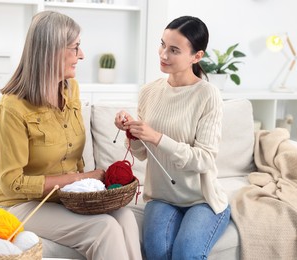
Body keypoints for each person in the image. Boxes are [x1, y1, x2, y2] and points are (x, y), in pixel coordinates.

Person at [0, 11, 142, 260]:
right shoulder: (12, 107)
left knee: (125, 216)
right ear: (52, 51)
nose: (81, 55)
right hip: (17, 205)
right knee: (104, 228)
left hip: (65, 199)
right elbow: (12, 182)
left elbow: (73, 157)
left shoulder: (71, 89)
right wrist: (83, 178)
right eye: (75, 47)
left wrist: (87, 187)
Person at [114, 16, 230, 259]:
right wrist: (132, 132)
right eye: (162, 45)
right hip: (162, 197)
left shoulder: (208, 95)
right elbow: (143, 154)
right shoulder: (149, 91)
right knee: (156, 254)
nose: (163, 54)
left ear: (197, 56)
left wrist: (157, 137)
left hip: (203, 200)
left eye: (174, 50)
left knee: (186, 254)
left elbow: (205, 159)